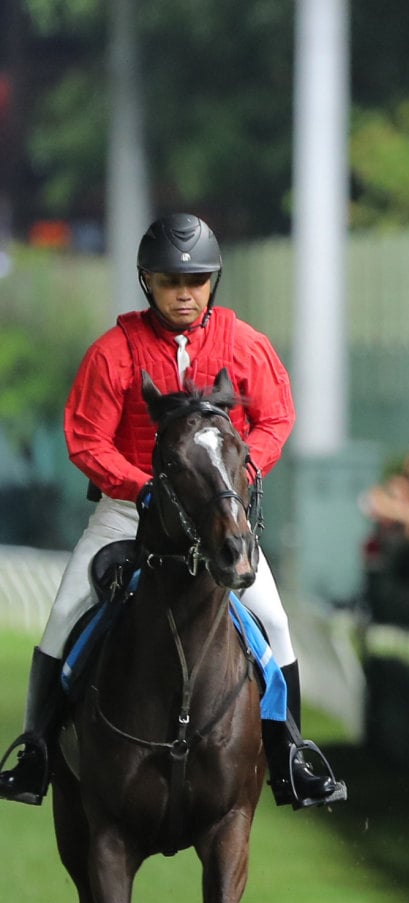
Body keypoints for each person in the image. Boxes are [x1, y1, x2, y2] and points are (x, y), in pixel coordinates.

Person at [0, 213, 346, 808]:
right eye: (169, 282)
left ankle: (291, 757)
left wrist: (242, 472)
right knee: (63, 615)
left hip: (217, 515)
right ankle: (35, 751)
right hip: (130, 512)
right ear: (146, 283)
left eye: (197, 281)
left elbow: (275, 418)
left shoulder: (245, 345)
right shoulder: (113, 352)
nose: (184, 294)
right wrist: (142, 489)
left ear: (214, 282)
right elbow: (86, 440)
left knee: (277, 623)